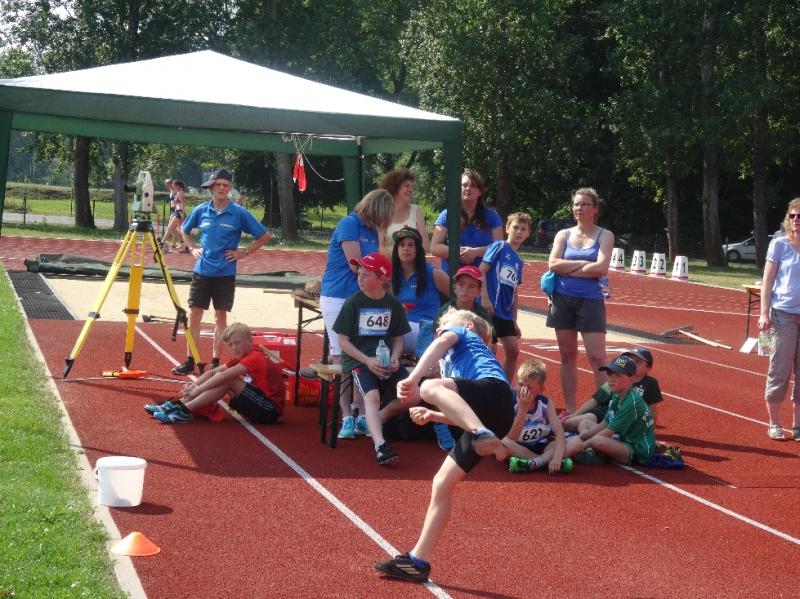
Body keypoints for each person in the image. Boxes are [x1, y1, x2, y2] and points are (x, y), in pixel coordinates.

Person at [374, 308, 514, 583]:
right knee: (441, 483)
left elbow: (440, 344)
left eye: (446, 322)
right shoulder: (454, 366)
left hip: (493, 397)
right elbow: (463, 412)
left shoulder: (464, 335)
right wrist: (434, 415)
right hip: (490, 418)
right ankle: (418, 561)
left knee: (429, 388)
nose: (440, 327)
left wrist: (413, 378)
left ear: (468, 326)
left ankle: (482, 434)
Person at [174, 168, 272, 375]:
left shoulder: (239, 213)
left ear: (229, 188)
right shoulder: (201, 210)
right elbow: (184, 229)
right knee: (195, 316)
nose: (221, 188)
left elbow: (264, 235)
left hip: (225, 274)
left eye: (225, 185)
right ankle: (191, 360)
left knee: (221, 318)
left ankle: (215, 361)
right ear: (211, 187)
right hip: (202, 271)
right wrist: (191, 248)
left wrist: (243, 253)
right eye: (217, 185)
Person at [320, 189, 396, 438]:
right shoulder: (349, 225)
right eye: (385, 216)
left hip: (364, 297)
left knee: (366, 355)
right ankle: (346, 417)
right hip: (338, 296)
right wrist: (383, 279)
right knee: (342, 356)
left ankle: (363, 414)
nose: (385, 222)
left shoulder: (373, 230)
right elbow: (358, 266)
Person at [333, 253, 411, 464]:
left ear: (382, 278)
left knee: (413, 395)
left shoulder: (393, 304)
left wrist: (395, 358)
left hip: (385, 360)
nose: (360, 278)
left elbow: (398, 339)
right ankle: (380, 445)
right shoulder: (353, 303)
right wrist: (367, 361)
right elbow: (343, 342)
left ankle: (378, 416)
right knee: (372, 397)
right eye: (359, 274)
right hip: (359, 361)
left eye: (366, 275)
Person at [545, 187, 614, 413]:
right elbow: (553, 264)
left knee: (597, 357)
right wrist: (585, 266)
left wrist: (569, 268)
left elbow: (601, 268)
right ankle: (571, 409)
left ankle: (607, 409)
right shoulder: (563, 235)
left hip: (590, 300)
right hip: (562, 298)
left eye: (584, 204)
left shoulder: (605, 235)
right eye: (576, 204)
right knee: (567, 356)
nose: (579, 208)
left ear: (595, 208)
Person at [145, 322, 285, 424]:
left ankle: (183, 411)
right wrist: (193, 386)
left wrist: (197, 390)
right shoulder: (242, 357)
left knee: (229, 379)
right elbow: (213, 372)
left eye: (237, 343)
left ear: (250, 341)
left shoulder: (254, 357)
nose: (234, 348)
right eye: (230, 345)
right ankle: (178, 405)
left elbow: (223, 376)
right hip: (260, 404)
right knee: (220, 378)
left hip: (270, 410)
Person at [759, 197, 800, 441]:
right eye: (792, 216)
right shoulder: (779, 245)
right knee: (780, 370)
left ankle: (797, 426)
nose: (796, 220)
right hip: (783, 314)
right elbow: (767, 281)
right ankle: (774, 423)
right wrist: (764, 313)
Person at [502, 359, 584, 473]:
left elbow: (559, 432)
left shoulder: (546, 403)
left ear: (541, 390)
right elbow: (512, 438)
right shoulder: (510, 400)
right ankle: (543, 463)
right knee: (504, 443)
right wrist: (522, 410)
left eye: (529, 387)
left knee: (577, 442)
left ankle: (533, 464)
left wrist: (557, 457)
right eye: (520, 385)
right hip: (519, 447)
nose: (523, 390)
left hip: (543, 445)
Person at [577, 354, 656, 465]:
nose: (611, 379)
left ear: (632, 379)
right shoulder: (617, 393)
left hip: (637, 450)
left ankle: (594, 453)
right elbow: (604, 423)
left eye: (618, 375)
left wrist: (579, 446)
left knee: (596, 441)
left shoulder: (631, 403)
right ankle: (596, 452)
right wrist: (581, 437)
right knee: (585, 423)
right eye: (609, 374)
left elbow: (608, 432)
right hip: (623, 439)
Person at [479, 212, 531, 381]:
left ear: (528, 234)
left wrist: (514, 320)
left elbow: (514, 290)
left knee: (513, 351)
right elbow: (481, 271)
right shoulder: (499, 246)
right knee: (490, 348)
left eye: (523, 229)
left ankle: (505, 386)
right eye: (515, 227)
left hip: (505, 313)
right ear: (507, 229)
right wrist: (484, 298)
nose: (519, 232)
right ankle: (485, 382)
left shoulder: (519, 261)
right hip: (491, 308)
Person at [563, 347, 663, 432]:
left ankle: (592, 437)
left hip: (625, 419)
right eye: (630, 360)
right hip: (605, 413)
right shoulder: (615, 379)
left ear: (648, 368)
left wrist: (650, 433)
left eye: (637, 362)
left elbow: (652, 411)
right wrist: (574, 415)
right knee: (570, 423)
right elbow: (595, 400)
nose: (632, 364)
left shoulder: (650, 383)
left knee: (586, 427)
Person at [430, 170, 504, 274]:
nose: (468, 188)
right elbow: (435, 248)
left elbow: (500, 248)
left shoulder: (491, 216)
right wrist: (459, 252)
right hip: (453, 276)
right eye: (464, 185)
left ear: (480, 192)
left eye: (473, 186)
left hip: (483, 277)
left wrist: (475, 252)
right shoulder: (447, 214)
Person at [390, 226, 449, 354]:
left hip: (427, 330)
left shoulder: (433, 273)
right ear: (396, 249)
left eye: (411, 245)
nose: (406, 248)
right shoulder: (390, 276)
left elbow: (456, 297)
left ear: (418, 249)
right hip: (399, 331)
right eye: (402, 245)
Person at [380, 168, 431, 254]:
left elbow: (426, 246)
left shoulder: (416, 211)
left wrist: (410, 259)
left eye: (412, 187)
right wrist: (397, 261)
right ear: (395, 187)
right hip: (389, 261)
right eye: (407, 186)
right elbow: (380, 247)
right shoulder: (382, 212)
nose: (411, 190)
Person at [160, 179, 189, 253]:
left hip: (179, 212)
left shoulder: (180, 193)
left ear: (178, 186)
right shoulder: (178, 193)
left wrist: (182, 213)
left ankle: (162, 243)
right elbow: (177, 203)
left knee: (170, 227)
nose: (173, 187)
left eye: (174, 185)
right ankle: (186, 246)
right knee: (181, 230)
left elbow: (182, 204)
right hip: (177, 212)